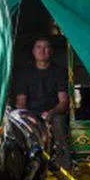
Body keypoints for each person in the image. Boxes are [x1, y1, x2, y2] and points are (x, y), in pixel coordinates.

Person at [14, 37, 72, 171]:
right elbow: (20, 102)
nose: (42, 51)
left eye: (46, 47)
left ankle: (63, 166)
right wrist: (26, 116)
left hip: (54, 113)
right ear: (33, 51)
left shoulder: (59, 72)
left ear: (51, 52)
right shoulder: (25, 74)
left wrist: (50, 113)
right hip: (32, 114)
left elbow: (63, 102)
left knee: (58, 122)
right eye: (38, 47)